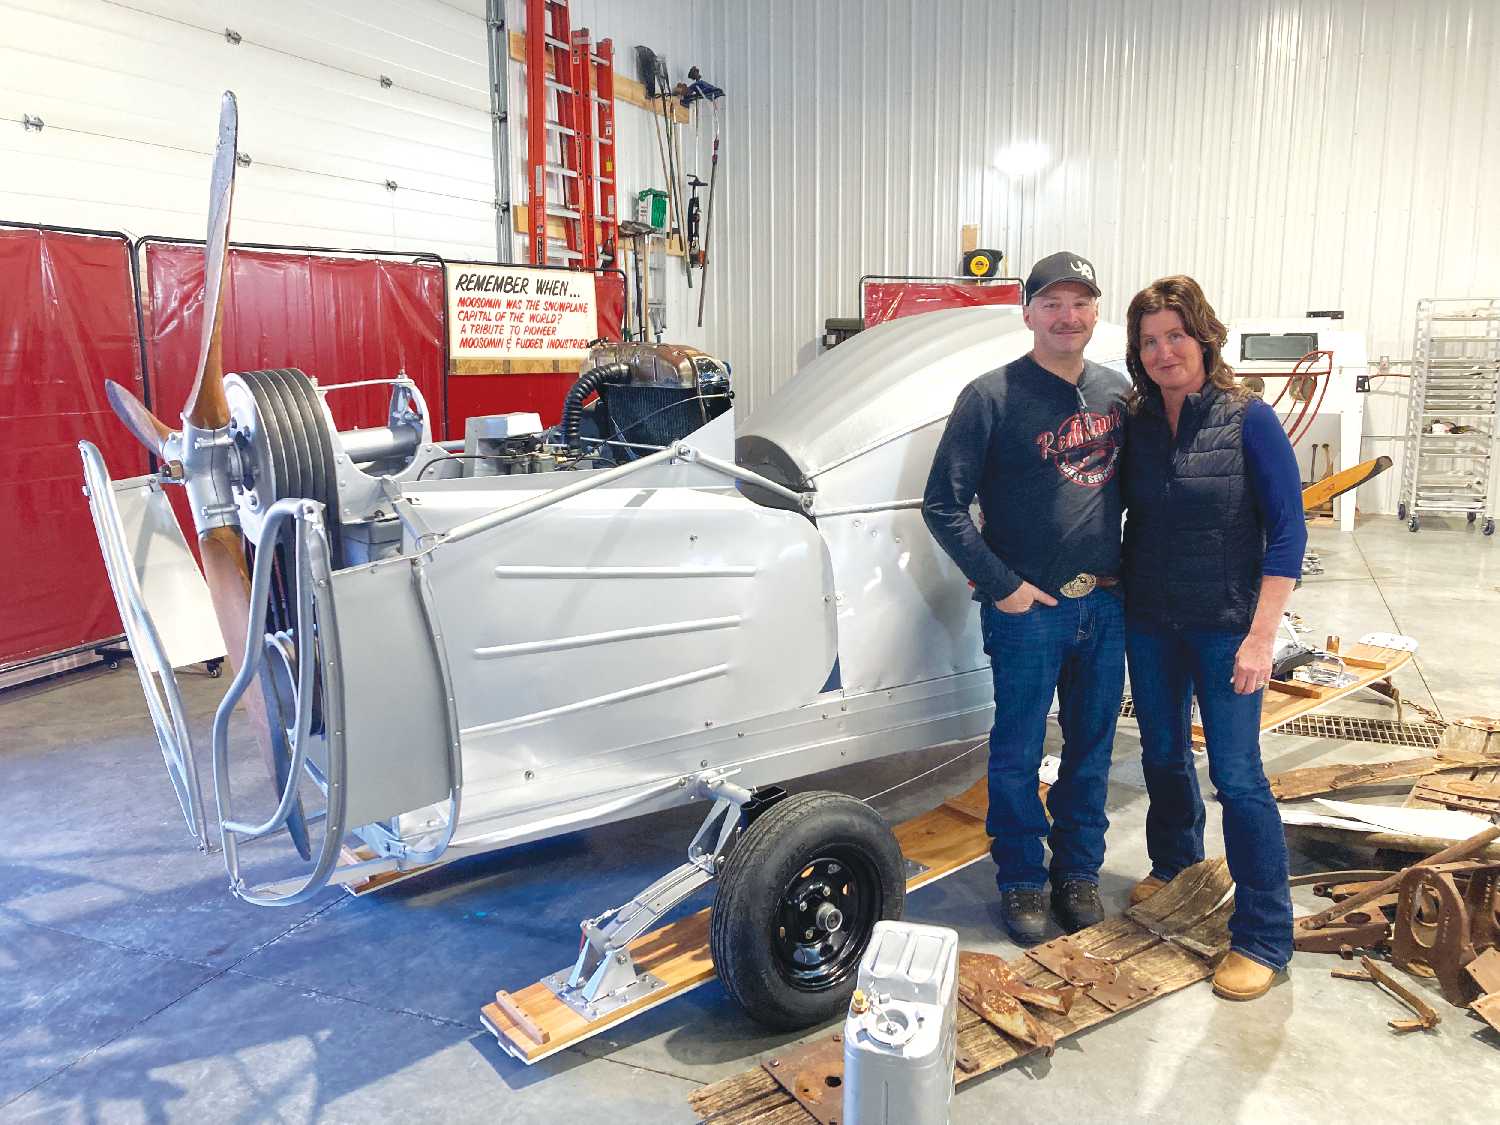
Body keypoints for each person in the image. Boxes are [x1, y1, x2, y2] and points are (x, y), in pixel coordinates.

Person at [923, 251, 1131, 943]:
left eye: (1080, 303)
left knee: (1092, 747)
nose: (1067, 317)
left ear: (1096, 312)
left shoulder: (1118, 394)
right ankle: (1019, 878)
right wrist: (1002, 586)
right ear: (1028, 313)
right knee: (1016, 749)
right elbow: (942, 506)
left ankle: (1077, 871)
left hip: (1104, 604)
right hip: (1028, 613)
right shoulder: (990, 397)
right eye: (1052, 304)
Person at [1119, 275, 1306, 1001]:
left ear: (1203, 337)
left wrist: (1262, 637)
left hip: (1228, 625)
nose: (1164, 351)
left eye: (1175, 335)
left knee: (1236, 775)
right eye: (1149, 340)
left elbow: (1287, 533)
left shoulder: (1247, 418)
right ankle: (1177, 869)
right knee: (1163, 754)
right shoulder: (1135, 423)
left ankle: (1263, 934)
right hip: (1151, 621)